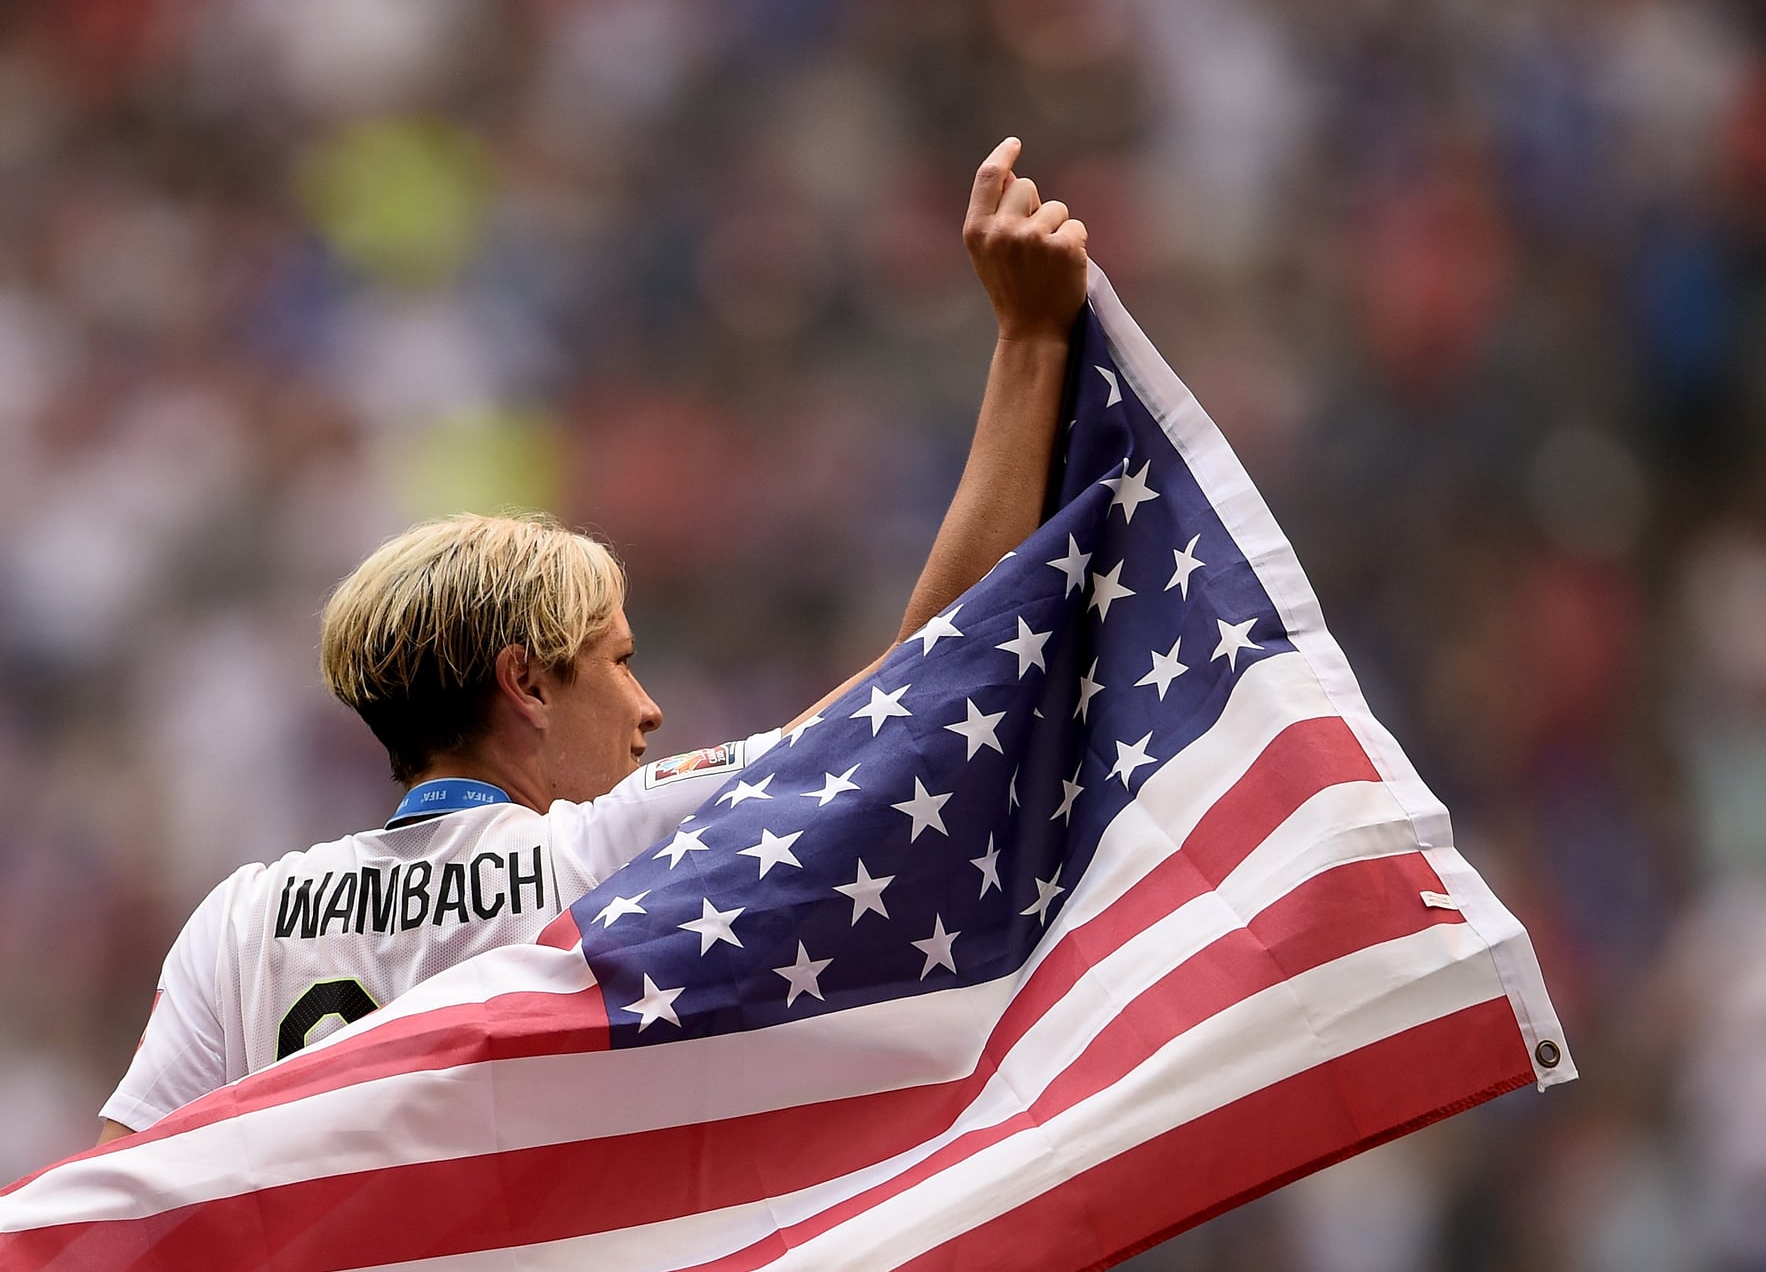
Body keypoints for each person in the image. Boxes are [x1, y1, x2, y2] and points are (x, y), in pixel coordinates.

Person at [97, 138, 1088, 1144]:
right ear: (524, 682)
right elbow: (930, 678)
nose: (648, 706)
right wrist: (1030, 340)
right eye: (616, 661)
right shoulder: (610, 845)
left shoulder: (241, 920)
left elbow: (112, 1213)